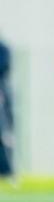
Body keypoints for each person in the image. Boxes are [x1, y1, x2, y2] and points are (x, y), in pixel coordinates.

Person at [0, 36, 13, 180]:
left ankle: (7, 171)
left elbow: (4, 68)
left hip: (2, 95)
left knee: (4, 134)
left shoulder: (3, 49)